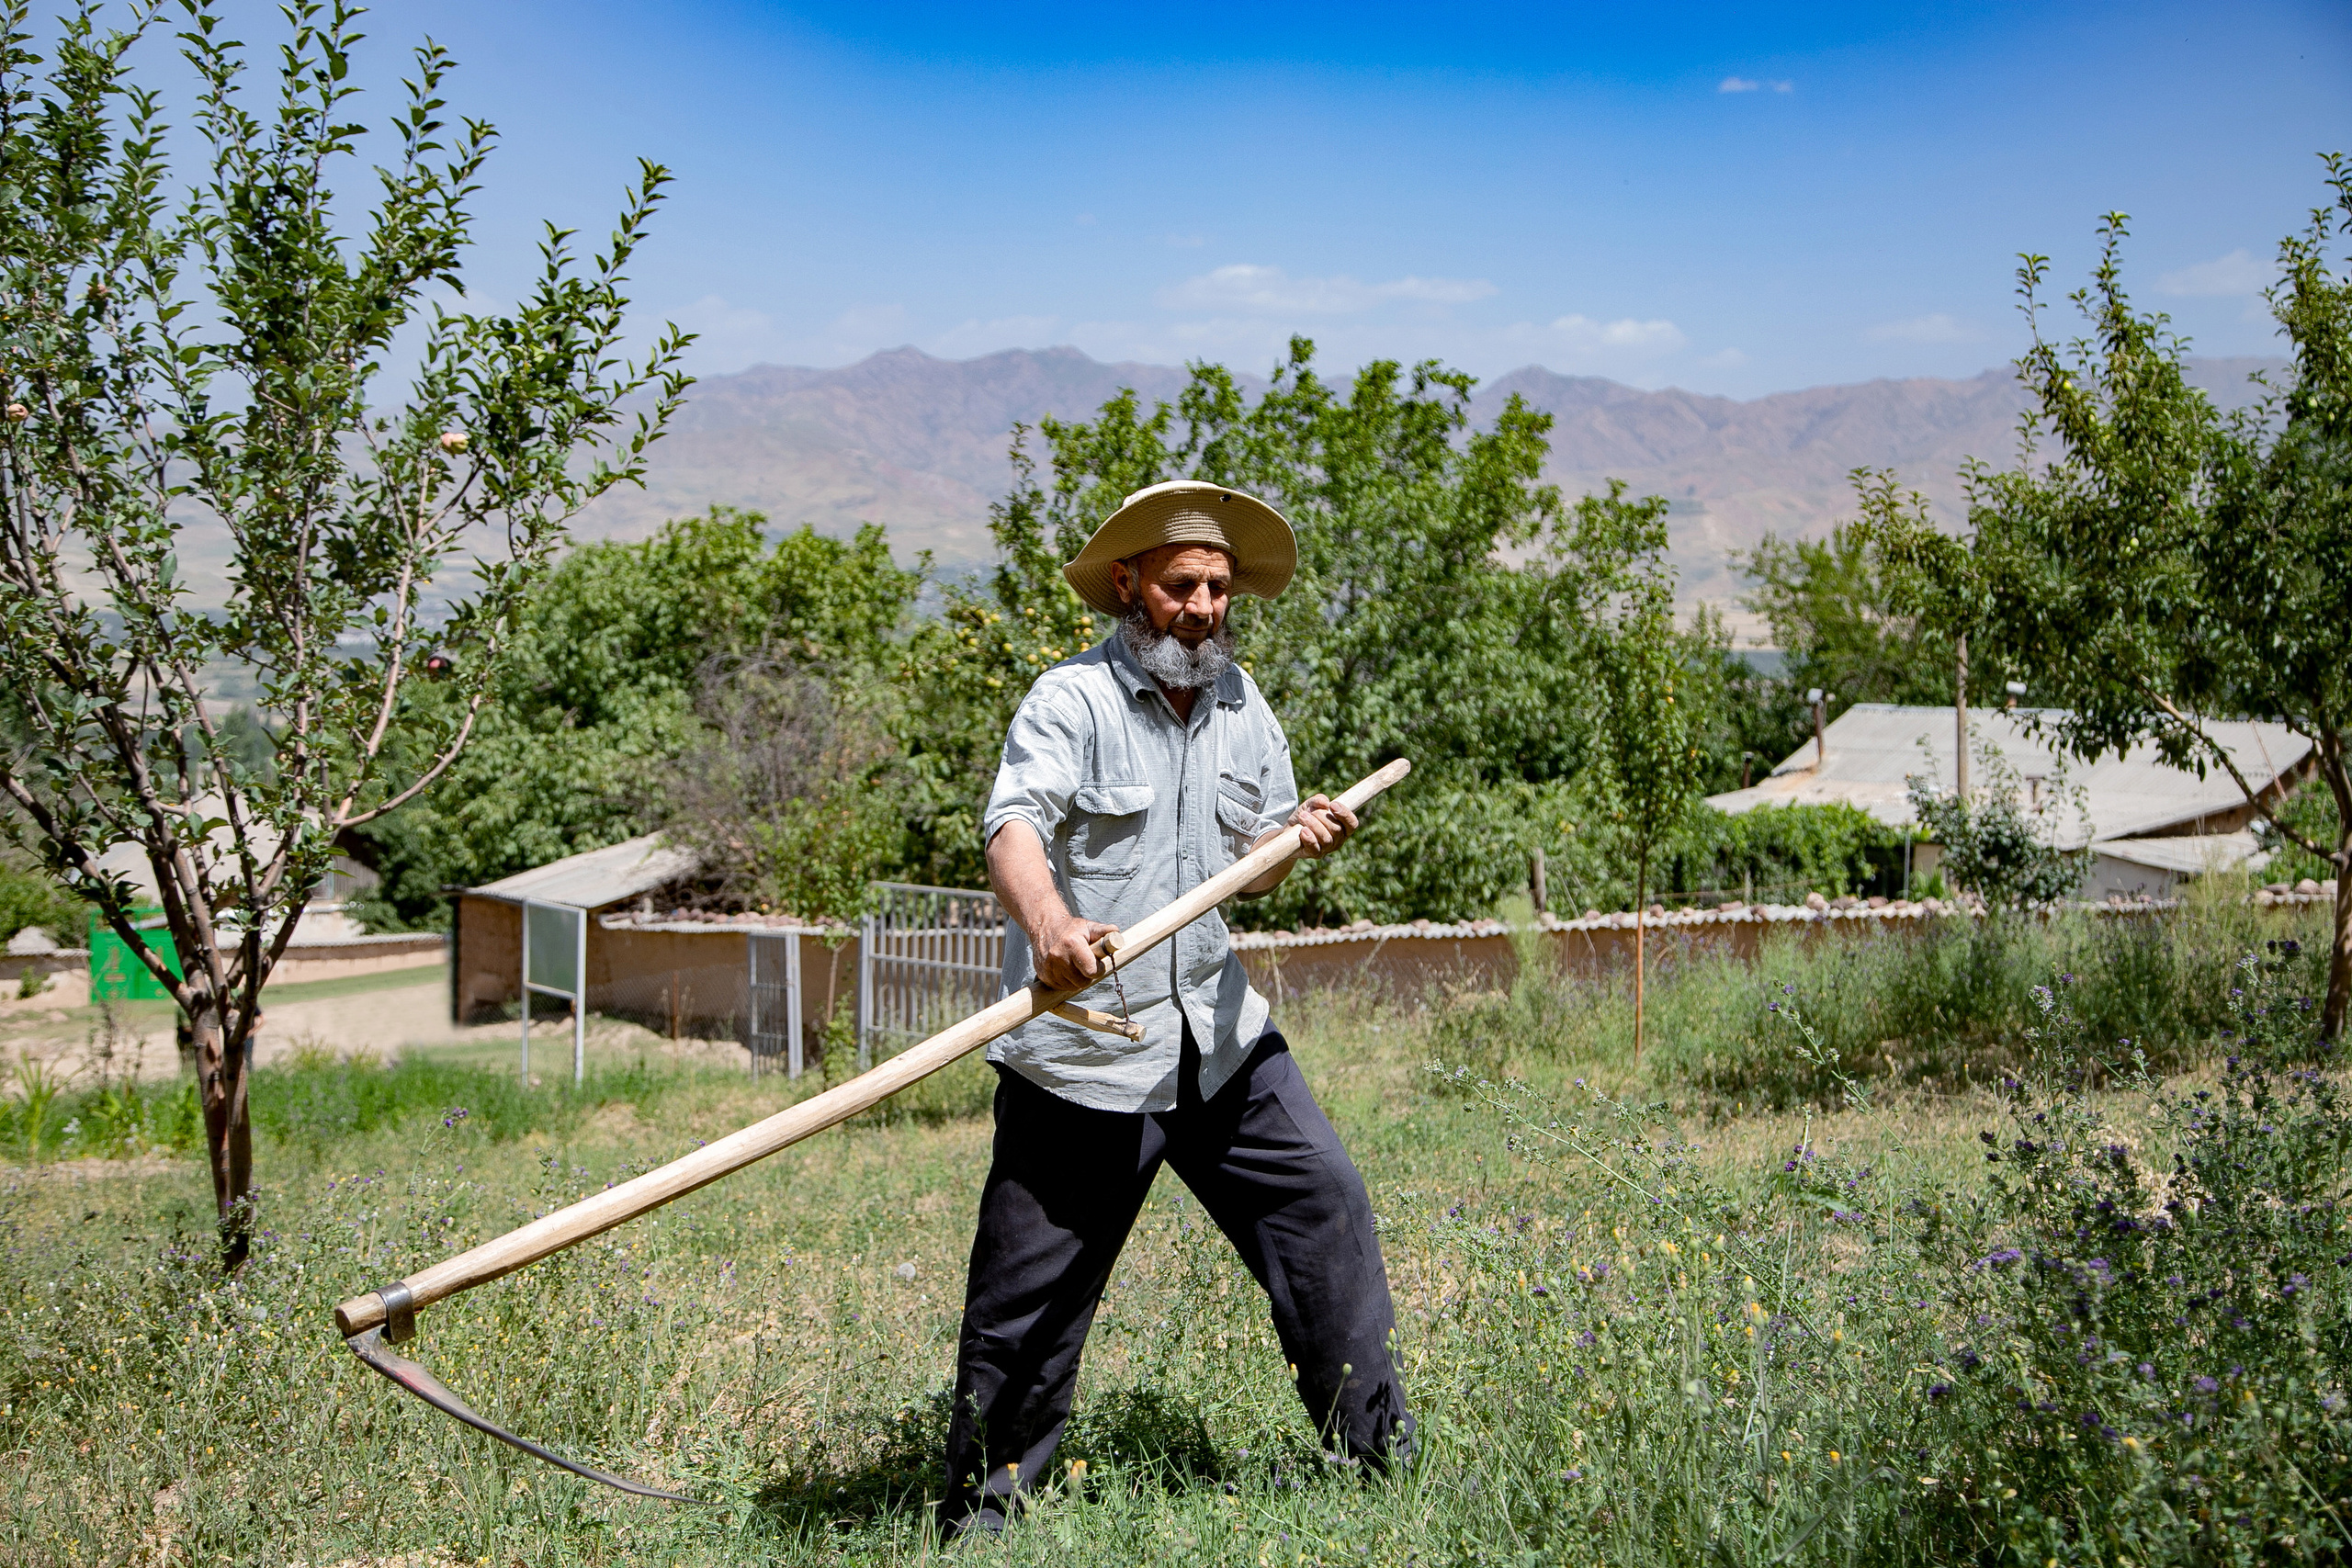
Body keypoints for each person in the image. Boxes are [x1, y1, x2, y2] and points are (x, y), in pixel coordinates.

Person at [940, 479, 1413, 1540]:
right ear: (1127, 586)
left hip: (1221, 1042)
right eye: (1179, 586)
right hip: (1088, 1053)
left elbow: (1253, 874)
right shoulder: (1071, 702)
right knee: (1029, 1305)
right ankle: (984, 1519)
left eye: (1216, 589)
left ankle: (1379, 1462)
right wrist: (1055, 929)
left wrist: (1294, 841)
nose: (1201, 607)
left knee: (1324, 1206)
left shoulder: (1247, 707)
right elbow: (1012, 825)